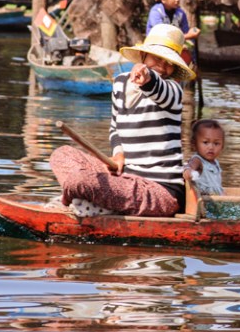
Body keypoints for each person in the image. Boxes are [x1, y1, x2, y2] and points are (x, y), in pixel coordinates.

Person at [49, 24, 197, 217]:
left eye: (169, 62)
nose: (162, 65)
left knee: (82, 181)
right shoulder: (120, 83)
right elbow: (115, 128)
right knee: (61, 154)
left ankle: (74, 203)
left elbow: (156, 87)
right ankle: (85, 199)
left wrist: (146, 75)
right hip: (126, 177)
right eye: (156, 57)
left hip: (160, 191)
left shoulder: (173, 90)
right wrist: (118, 155)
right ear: (144, 55)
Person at [184, 119, 225, 196]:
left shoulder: (216, 163)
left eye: (216, 143)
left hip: (216, 200)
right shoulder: (198, 160)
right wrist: (188, 171)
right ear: (194, 144)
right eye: (205, 142)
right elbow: (190, 166)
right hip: (204, 202)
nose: (211, 147)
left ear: (222, 146)